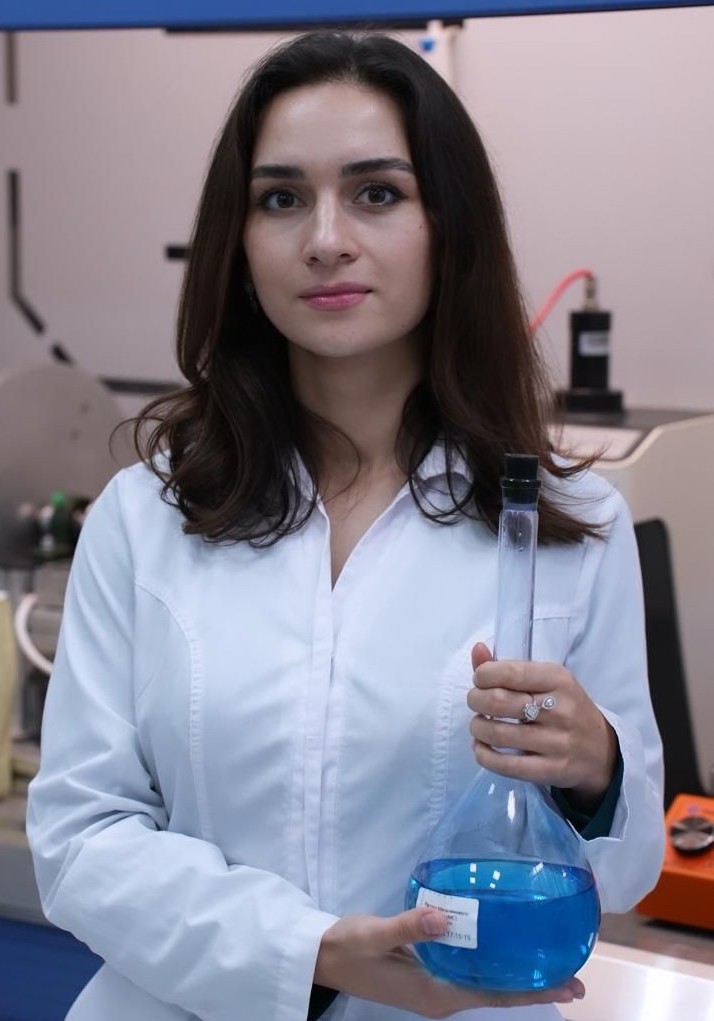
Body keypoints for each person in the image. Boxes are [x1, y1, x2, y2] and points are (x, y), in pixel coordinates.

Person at [26, 29, 665, 1021]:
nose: (325, 238)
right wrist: (311, 953)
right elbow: (79, 837)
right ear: (239, 243)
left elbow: (626, 870)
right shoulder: (147, 517)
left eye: (376, 192)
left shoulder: (568, 529)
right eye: (282, 199)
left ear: (448, 226)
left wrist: (598, 775)